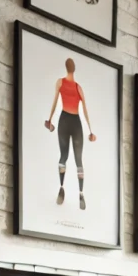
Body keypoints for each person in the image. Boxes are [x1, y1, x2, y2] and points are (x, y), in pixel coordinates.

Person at [44, 58, 96, 211]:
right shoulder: (77, 87)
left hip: (65, 121)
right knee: (76, 159)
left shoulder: (62, 83)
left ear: (66, 67)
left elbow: (55, 102)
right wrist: (90, 130)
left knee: (64, 156)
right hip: (73, 122)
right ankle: (79, 193)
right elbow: (85, 110)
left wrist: (50, 120)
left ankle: (64, 188)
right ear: (74, 68)